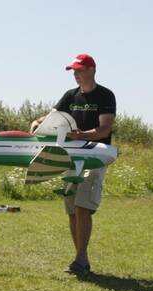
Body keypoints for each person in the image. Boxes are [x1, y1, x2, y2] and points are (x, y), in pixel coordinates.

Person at [30, 53, 116, 276]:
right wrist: (37, 123)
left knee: (82, 207)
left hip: (93, 155)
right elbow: (52, 117)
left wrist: (81, 135)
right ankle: (81, 259)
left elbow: (105, 129)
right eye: (74, 71)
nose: (76, 75)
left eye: (80, 70)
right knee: (71, 210)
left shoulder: (105, 95)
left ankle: (80, 258)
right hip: (70, 156)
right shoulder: (70, 96)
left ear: (92, 70)